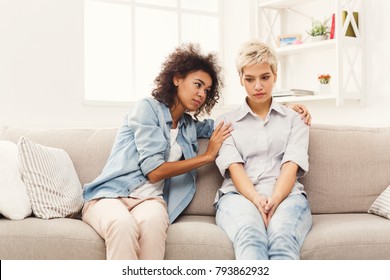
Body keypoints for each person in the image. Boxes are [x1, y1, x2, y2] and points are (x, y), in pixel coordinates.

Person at [82, 42, 311, 260]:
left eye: (207, 89)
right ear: (177, 78)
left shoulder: (188, 126)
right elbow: (153, 171)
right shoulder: (147, 108)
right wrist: (207, 157)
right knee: (123, 226)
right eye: (197, 84)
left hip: (149, 200)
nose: (202, 94)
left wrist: (285, 110)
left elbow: (236, 123)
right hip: (113, 194)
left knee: (153, 226)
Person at [213, 39, 312, 260]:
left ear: (275, 75)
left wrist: (275, 199)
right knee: (250, 234)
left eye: (265, 77)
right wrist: (257, 199)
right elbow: (234, 168)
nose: (258, 86)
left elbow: (291, 165)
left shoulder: (295, 119)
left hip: (287, 196)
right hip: (238, 196)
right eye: (250, 79)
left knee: (282, 236)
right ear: (241, 79)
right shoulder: (225, 123)